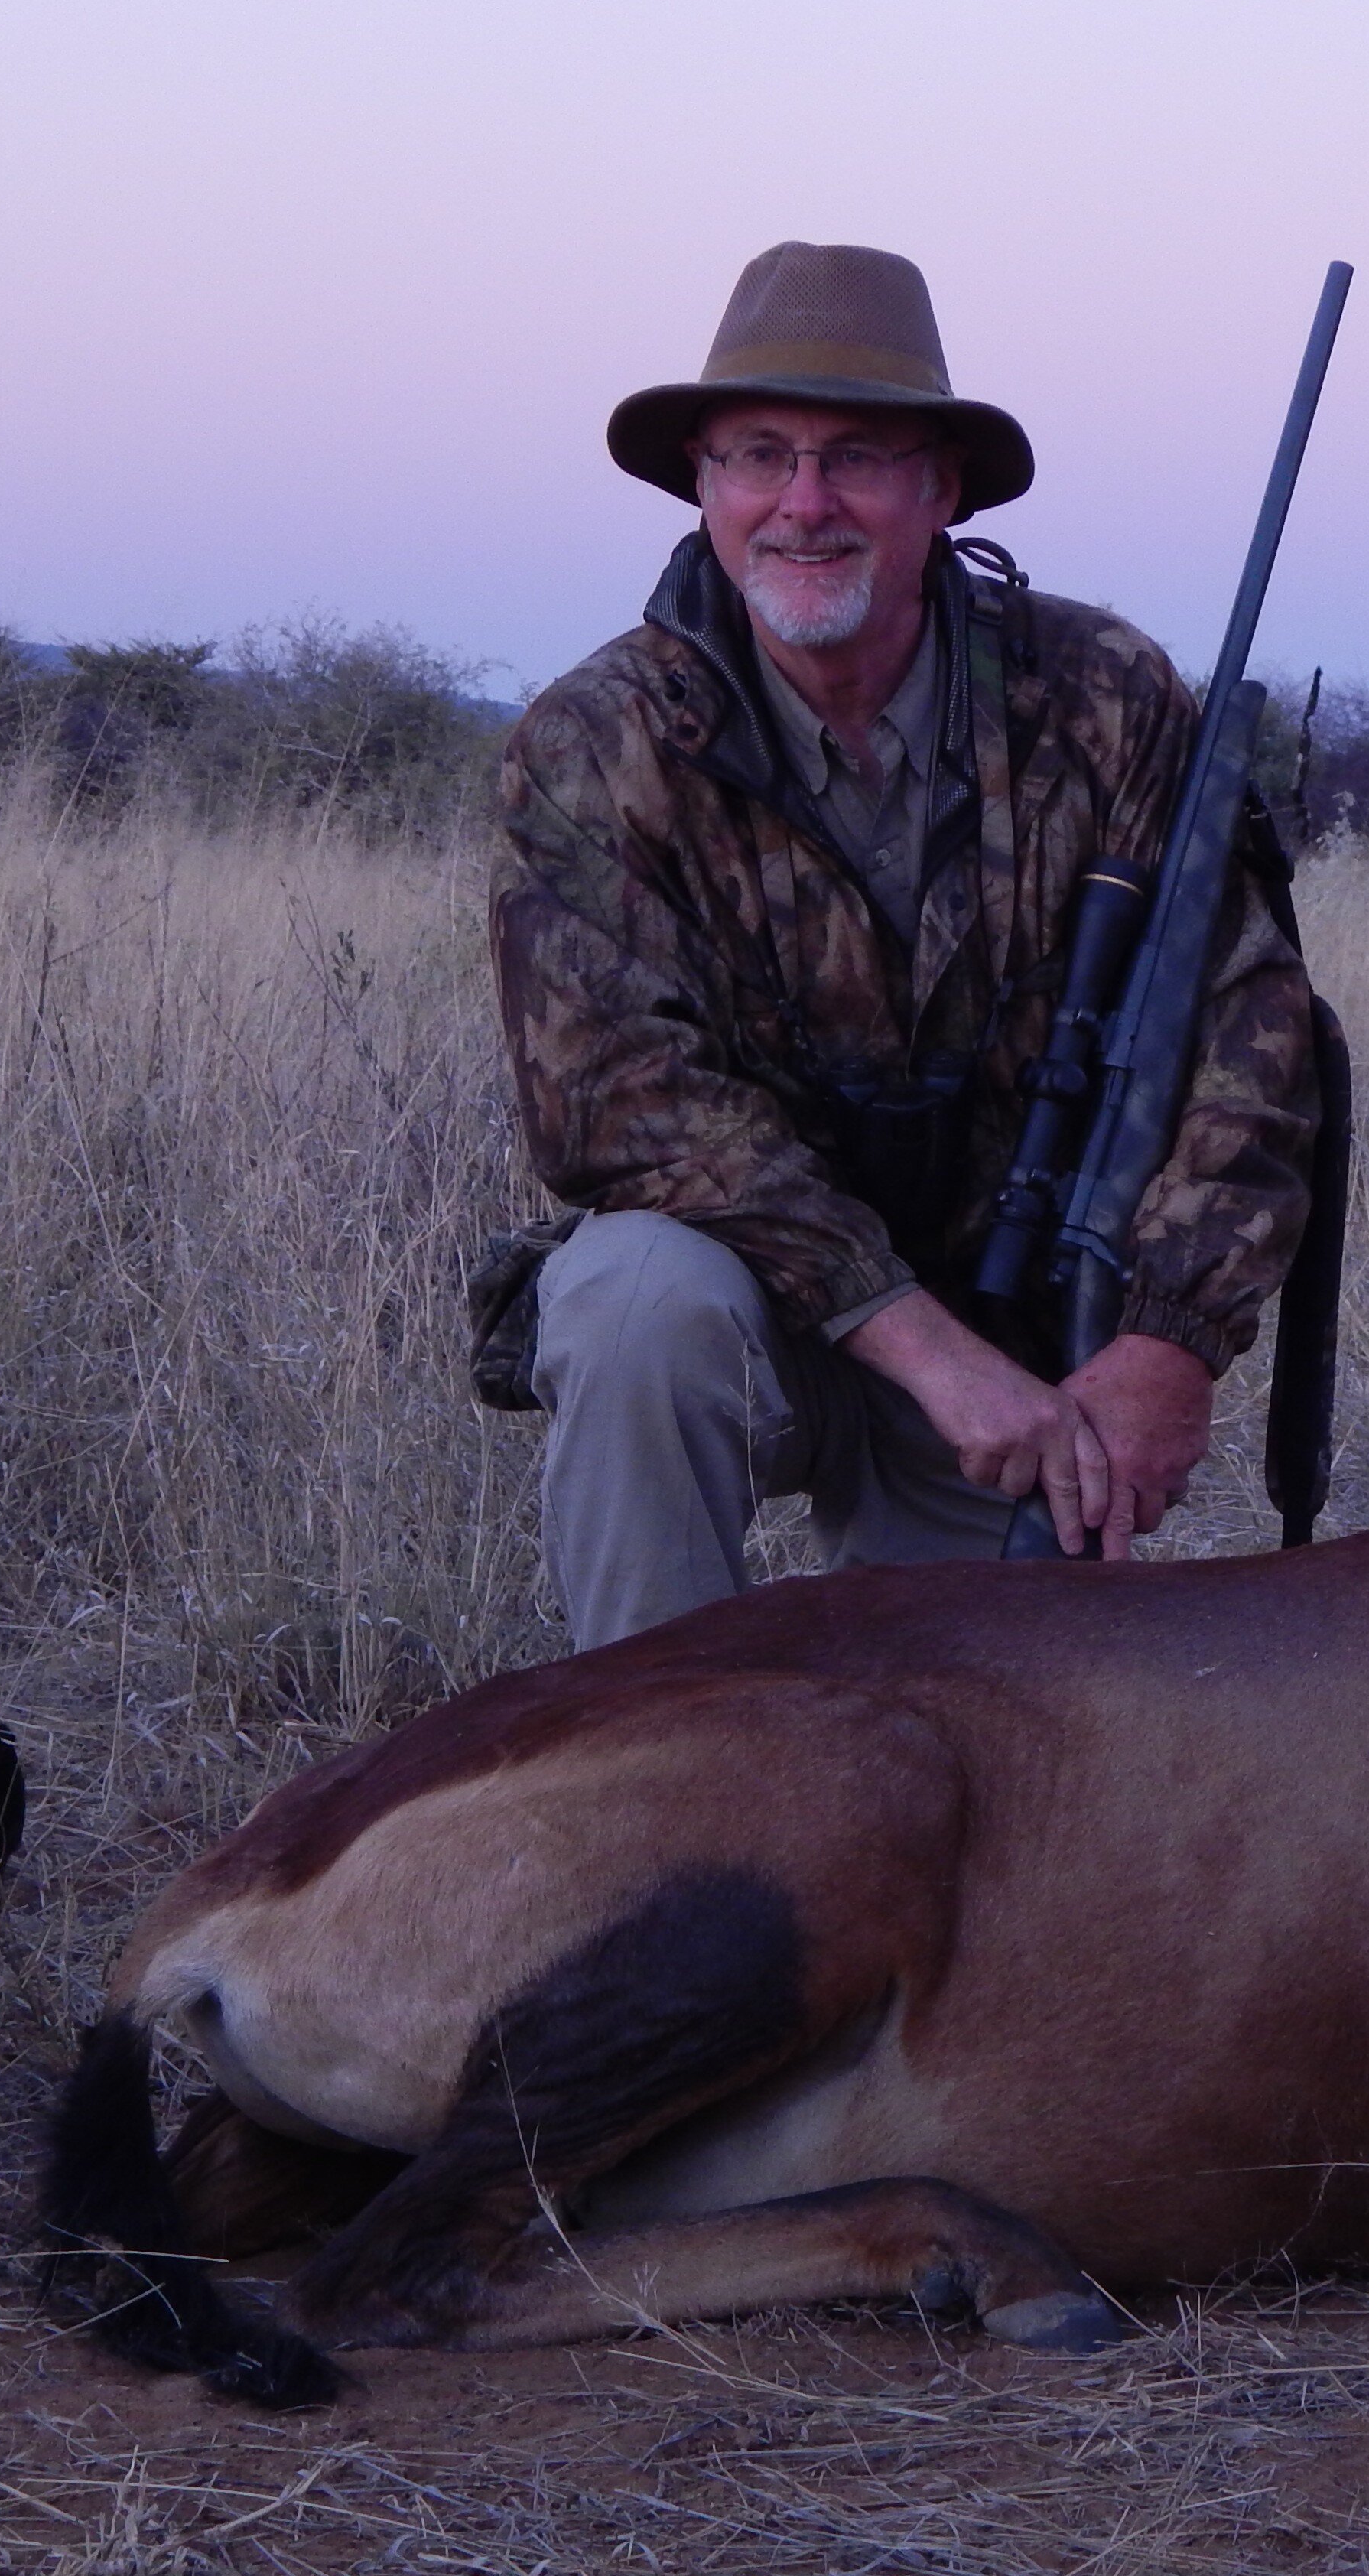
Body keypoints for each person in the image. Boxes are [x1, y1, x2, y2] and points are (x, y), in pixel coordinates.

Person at [489, 242, 1319, 1652]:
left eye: (856, 457)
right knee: (628, 1304)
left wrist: (1166, 1347)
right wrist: (921, 1348)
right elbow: (615, 1107)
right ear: (704, 480)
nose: (803, 505)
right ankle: (659, 1767)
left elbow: (1249, 1037)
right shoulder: (594, 738)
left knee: (1001, 1767)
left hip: (1024, 1355)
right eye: (762, 455)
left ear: (938, 489)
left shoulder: (1107, 694)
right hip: (784, 1325)